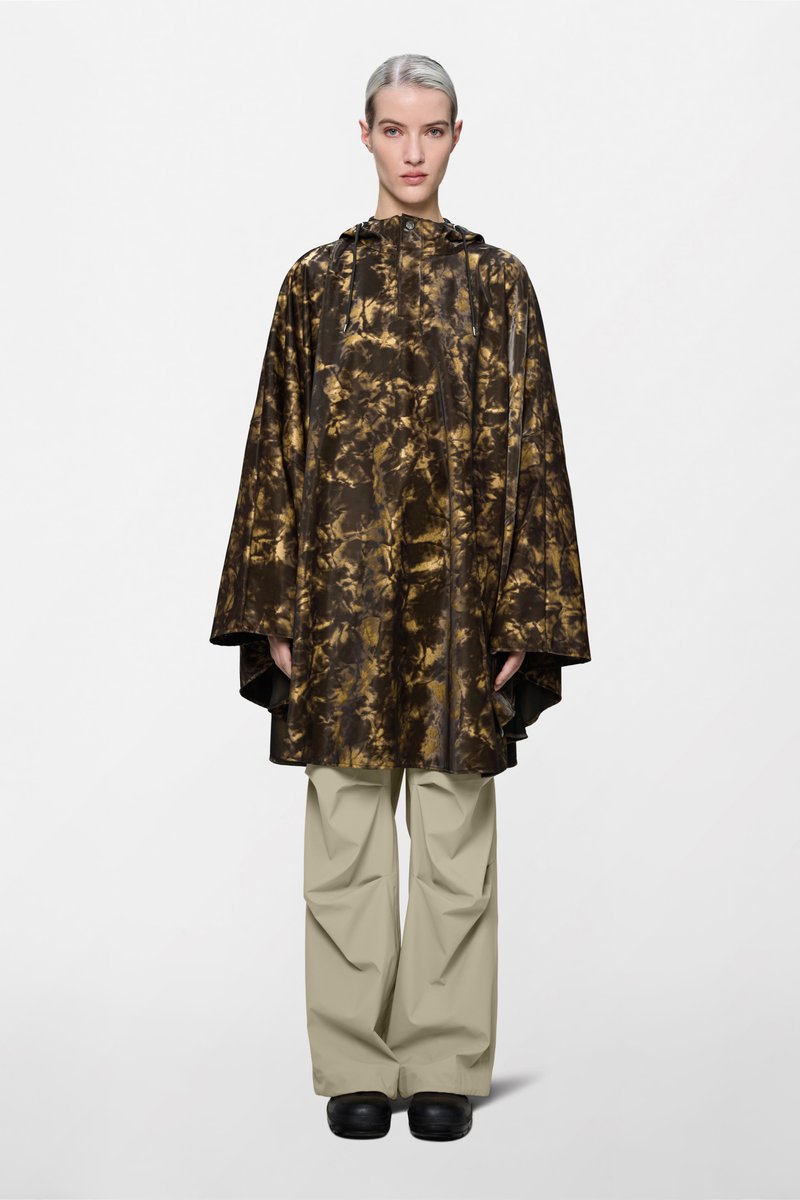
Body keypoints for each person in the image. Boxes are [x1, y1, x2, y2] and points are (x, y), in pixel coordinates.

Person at [209, 53, 591, 1142]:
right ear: (366, 135)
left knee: (455, 839)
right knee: (344, 842)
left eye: (431, 131)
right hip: (338, 603)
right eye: (393, 130)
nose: (412, 151)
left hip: (462, 604)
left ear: (456, 137)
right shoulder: (315, 283)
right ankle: (353, 1066)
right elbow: (275, 449)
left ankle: (444, 1062)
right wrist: (274, 605)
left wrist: (527, 612)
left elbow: (532, 453)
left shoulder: (497, 284)